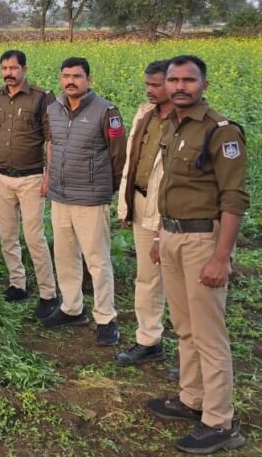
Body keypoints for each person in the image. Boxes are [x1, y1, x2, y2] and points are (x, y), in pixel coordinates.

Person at [146, 55, 247, 454]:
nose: (180, 86)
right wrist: (160, 236)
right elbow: (170, 187)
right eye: (174, 80)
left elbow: (233, 199)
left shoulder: (221, 132)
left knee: (208, 333)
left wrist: (221, 258)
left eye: (189, 80)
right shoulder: (174, 125)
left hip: (203, 241)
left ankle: (220, 421)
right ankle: (192, 398)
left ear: (204, 84)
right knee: (184, 326)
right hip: (172, 236)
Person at [42, 57, 126, 347]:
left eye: (77, 76)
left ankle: (106, 318)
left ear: (89, 79)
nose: (71, 81)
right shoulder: (53, 108)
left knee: (97, 260)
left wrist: (109, 188)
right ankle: (72, 308)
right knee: (65, 255)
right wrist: (49, 177)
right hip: (60, 196)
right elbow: (52, 145)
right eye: (66, 76)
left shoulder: (106, 111)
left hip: (91, 198)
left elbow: (118, 154)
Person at [0, 50, 59, 318]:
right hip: (1, 176)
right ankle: (18, 284)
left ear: (24, 69)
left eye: (13, 68)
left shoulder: (41, 97)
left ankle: (48, 294)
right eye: (4, 68)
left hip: (31, 177)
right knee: (7, 235)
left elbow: (51, 139)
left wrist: (49, 175)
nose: (8, 73)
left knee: (34, 237)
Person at [115, 60, 172, 366]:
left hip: (174, 212)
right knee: (147, 276)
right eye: (147, 84)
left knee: (183, 283)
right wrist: (125, 204)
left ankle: (195, 355)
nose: (150, 90)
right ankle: (149, 340)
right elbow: (131, 159)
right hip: (141, 202)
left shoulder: (189, 122)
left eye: (156, 85)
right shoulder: (145, 113)